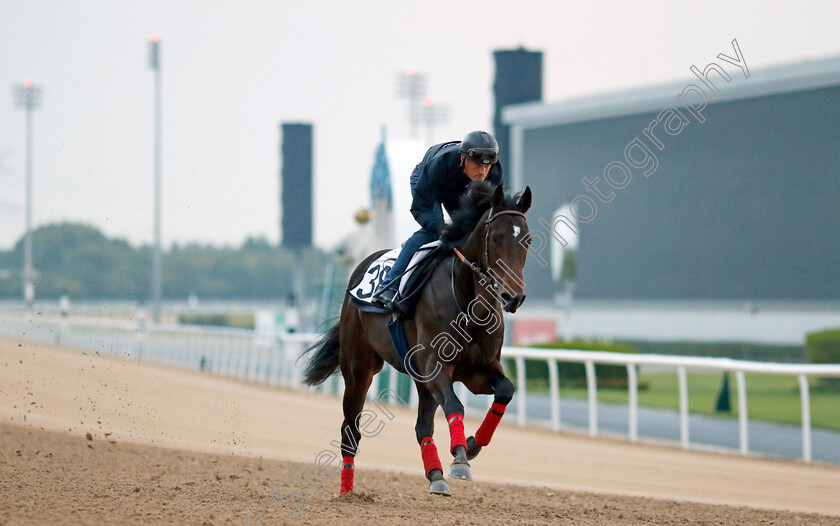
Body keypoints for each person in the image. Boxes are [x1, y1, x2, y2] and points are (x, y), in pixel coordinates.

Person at [371, 130, 503, 311]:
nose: (482, 171)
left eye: (487, 166)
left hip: (462, 188)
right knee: (432, 233)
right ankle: (388, 286)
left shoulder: (494, 174)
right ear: (463, 159)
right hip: (430, 181)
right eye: (477, 165)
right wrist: (441, 229)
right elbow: (420, 209)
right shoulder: (439, 166)